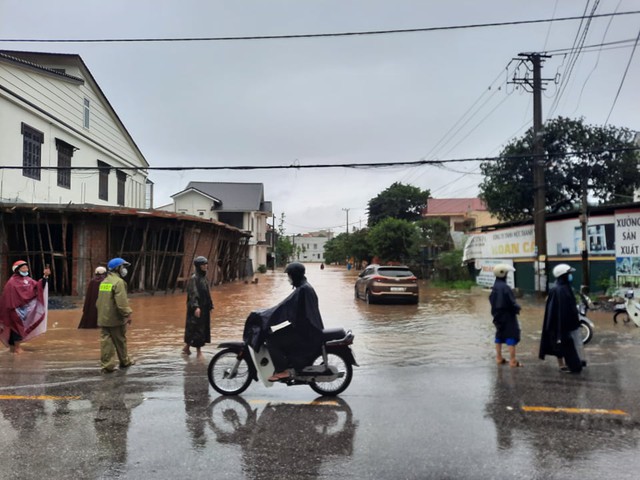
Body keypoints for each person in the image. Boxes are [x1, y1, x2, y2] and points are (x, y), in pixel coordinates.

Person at [264, 262, 324, 381]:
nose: (289, 279)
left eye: (290, 276)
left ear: (295, 275)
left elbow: (283, 308)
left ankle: (282, 370)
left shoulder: (302, 290)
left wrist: (266, 316)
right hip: (305, 327)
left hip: (304, 330)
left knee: (272, 340)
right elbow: (286, 307)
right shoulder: (304, 287)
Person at [539, 263, 584, 373]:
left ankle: (574, 364)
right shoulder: (558, 290)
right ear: (563, 275)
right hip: (561, 324)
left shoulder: (565, 287)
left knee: (568, 344)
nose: (570, 276)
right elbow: (557, 310)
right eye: (569, 274)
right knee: (564, 344)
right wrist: (561, 325)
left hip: (567, 323)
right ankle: (572, 366)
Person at [0, 260, 50, 353]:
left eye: (26, 267)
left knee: (15, 327)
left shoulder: (28, 280)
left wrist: (45, 276)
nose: (26, 268)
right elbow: (8, 297)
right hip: (14, 309)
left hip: (24, 310)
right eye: (23, 267)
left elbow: (38, 287)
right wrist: (14, 308)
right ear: (17, 270)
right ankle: (17, 348)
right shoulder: (12, 282)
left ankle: (13, 348)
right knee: (16, 327)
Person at [96, 257, 134, 373]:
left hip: (103, 318)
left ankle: (107, 366)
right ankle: (125, 361)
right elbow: (121, 303)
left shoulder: (104, 282)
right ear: (117, 268)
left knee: (106, 343)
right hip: (115, 319)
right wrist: (128, 314)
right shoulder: (119, 282)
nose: (124, 269)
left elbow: (99, 302)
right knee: (120, 340)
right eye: (123, 267)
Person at [489, 263, 522, 367]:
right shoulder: (505, 287)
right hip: (508, 316)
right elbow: (512, 302)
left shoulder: (494, 287)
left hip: (497, 316)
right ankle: (513, 361)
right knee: (511, 336)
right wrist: (518, 308)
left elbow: (491, 300)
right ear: (503, 274)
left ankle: (499, 358)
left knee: (499, 335)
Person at [182, 256, 214, 357]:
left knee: (198, 328)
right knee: (196, 328)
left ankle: (186, 348)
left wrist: (210, 305)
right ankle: (198, 352)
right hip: (196, 308)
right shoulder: (194, 278)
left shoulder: (204, 278)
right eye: (204, 264)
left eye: (206, 264)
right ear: (199, 266)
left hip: (204, 308)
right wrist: (196, 307)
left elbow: (207, 293)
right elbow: (193, 293)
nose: (206, 266)